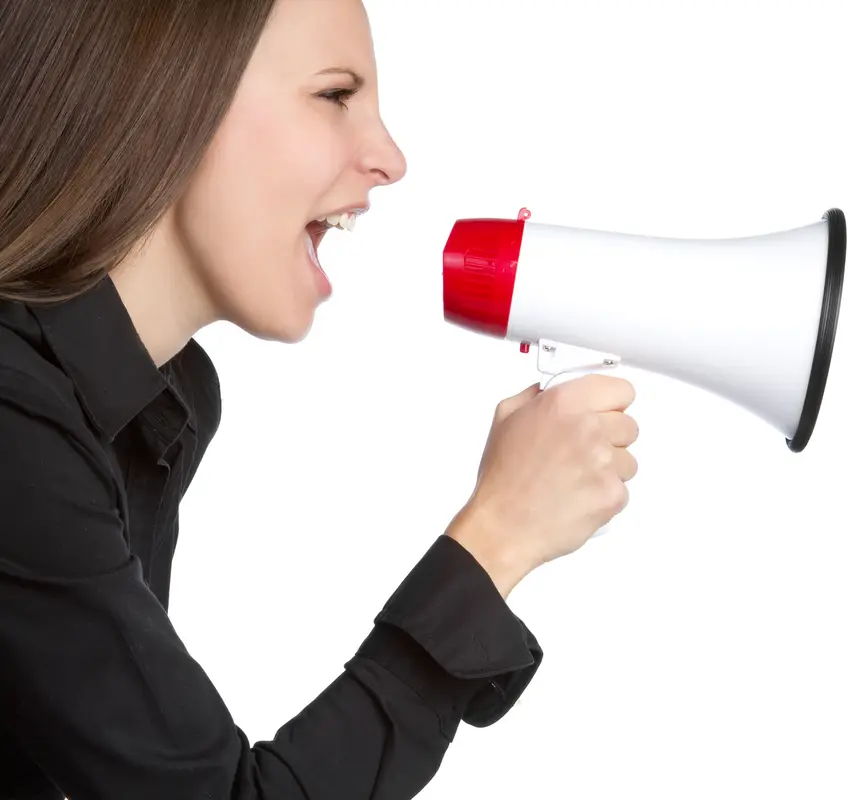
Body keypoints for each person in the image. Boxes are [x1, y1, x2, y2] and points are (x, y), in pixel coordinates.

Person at [0, 1, 639, 798]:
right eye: (335, 95)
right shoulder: (15, 426)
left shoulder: (159, 403)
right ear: (168, 94)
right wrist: (497, 538)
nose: (390, 157)